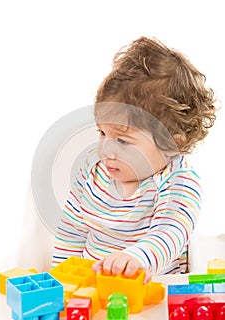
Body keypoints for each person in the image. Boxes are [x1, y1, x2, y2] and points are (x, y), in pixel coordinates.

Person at [52, 36, 217, 282]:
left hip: (148, 298)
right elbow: (72, 231)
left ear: (173, 142)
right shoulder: (92, 173)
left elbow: (170, 232)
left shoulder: (178, 182)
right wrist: (61, 278)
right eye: (102, 132)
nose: (106, 150)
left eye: (123, 141)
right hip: (89, 291)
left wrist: (137, 258)